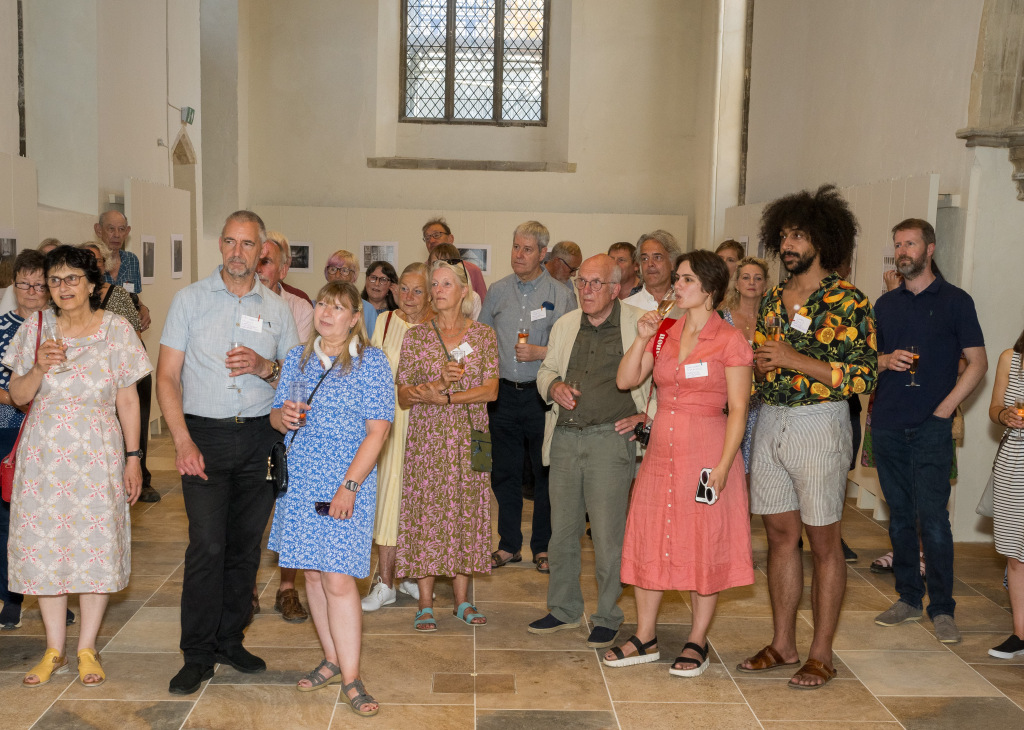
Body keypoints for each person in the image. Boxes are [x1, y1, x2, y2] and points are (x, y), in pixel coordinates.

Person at [738, 185, 877, 689]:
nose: (788, 243)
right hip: (770, 419)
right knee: (779, 536)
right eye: (784, 234)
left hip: (820, 422)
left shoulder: (849, 300)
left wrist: (794, 359)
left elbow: (864, 376)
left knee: (823, 541)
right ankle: (782, 643)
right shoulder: (774, 296)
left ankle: (821, 653)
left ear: (824, 239)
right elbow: (762, 361)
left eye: (799, 234)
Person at [157, 211, 299, 695]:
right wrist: (181, 440)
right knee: (206, 547)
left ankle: (230, 640)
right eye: (230, 243)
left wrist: (265, 366)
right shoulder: (190, 301)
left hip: (260, 438)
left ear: (262, 250)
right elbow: (167, 377)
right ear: (221, 245)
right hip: (204, 438)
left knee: (244, 548)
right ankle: (196, 653)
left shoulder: (277, 310)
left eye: (248, 244)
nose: (238, 252)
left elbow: (295, 380)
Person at [5, 245, 150, 687]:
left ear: (91, 284)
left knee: (94, 547)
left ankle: (86, 648)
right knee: (45, 548)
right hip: (45, 453)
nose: (62, 288)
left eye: (72, 279)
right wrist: (38, 368)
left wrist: (134, 458)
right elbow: (17, 395)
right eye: (55, 280)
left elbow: (128, 399)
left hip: (98, 451)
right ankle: (54, 649)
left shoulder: (117, 329)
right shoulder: (35, 327)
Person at [605, 250, 754, 676]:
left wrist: (724, 467)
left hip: (706, 450)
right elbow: (625, 380)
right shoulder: (665, 330)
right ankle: (645, 635)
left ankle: (696, 640)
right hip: (660, 453)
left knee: (703, 543)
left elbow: (739, 410)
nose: (677, 287)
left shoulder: (730, 340)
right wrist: (641, 337)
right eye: (679, 280)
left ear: (709, 289)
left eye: (686, 280)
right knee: (651, 535)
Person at [267, 281, 393, 714]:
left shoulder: (371, 362)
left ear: (355, 318)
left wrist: (350, 486)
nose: (326, 312)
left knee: (339, 579)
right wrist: (280, 416)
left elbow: (378, 432)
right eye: (322, 304)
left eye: (338, 307)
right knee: (315, 577)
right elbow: (277, 414)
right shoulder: (296, 359)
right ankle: (332, 659)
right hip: (301, 481)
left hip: (347, 482)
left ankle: (354, 679)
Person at [870, 218, 986, 645]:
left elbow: (978, 362)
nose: (903, 251)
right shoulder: (885, 305)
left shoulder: (956, 301)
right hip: (887, 425)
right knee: (900, 519)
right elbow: (868, 362)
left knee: (933, 521)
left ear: (930, 248)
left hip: (931, 428)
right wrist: (884, 361)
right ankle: (907, 598)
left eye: (911, 244)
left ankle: (942, 609)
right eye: (898, 244)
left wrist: (946, 409)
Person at [528, 255, 651, 649]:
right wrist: (553, 387)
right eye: (582, 282)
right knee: (561, 531)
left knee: (607, 535)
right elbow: (545, 370)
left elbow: (665, 378)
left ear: (616, 288)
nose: (587, 290)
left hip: (609, 440)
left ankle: (607, 615)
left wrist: (646, 416)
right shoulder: (566, 324)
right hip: (564, 437)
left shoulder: (637, 324)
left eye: (596, 283)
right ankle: (563, 609)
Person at [395, 260, 499, 631]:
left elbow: (491, 390)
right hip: (428, 436)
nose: (437, 290)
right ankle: (424, 603)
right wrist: (434, 387)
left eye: (445, 284)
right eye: (433, 284)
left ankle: (462, 602)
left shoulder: (483, 336)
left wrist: (451, 398)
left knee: (468, 509)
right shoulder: (416, 336)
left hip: (474, 435)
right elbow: (404, 395)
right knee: (427, 510)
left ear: (463, 291)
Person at [479, 221, 577, 574]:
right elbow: (481, 339)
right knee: (503, 473)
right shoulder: (497, 290)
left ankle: (542, 547)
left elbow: (572, 347)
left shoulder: (562, 294)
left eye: (527, 249)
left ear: (543, 254)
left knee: (544, 473)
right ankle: (508, 545)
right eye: (515, 247)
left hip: (542, 397)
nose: (518, 255)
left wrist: (541, 352)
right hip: (502, 395)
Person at [362, 263, 436, 611]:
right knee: (388, 501)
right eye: (403, 288)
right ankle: (385, 582)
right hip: (390, 425)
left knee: (420, 502)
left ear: (431, 293)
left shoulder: (440, 327)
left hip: (428, 426)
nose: (408, 296)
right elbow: (371, 371)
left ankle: (408, 573)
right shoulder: (386, 322)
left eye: (416, 290)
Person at [255, 232, 315, 623]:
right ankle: (243, 591)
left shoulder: (298, 307)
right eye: (255, 259)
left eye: (266, 261)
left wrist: (267, 368)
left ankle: (287, 589)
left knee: (288, 506)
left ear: (283, 267)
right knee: (249, 509)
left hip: (285, 424)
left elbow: (303, 371)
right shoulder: (229, 304)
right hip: (240, 419)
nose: (259, 268)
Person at [0, 250, 52, 631]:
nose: (31, 292)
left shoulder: (60, 327)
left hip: (53, 434)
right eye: (24, 284)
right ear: (13, 285)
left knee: (48, 519)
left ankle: (53, 594)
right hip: (8, 430)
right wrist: (22, 393)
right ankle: (11, 599)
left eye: (39, 284)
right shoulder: (4, 327)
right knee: (8, 521)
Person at [93, 213, 158, 503]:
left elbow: (134, 299)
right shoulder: (83, 286)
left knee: (136, 418)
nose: (116, 234)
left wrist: (143, 310)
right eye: (110, 229)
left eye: (121, 229)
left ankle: (140, 474)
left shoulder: (131, 261)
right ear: (99, 230)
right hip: (100, 366)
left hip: (129, 356)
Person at [987, 326, 1024, 658]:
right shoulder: (1010, 359)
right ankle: (1020, 634)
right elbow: (994, 408)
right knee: (1015, 553)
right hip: (1013, 464)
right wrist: (1005, 415)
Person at [719, 256, 769, 474]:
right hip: (729, 405)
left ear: (765, 284)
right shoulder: (721, 318)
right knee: (731, 469)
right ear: (737, 283)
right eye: (746, 277)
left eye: (758, 278)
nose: (752, 282)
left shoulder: (773, 320)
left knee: (759, 472)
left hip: (764, 405)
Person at [259, 232, 314, 341]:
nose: (258, 269)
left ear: (283, 270)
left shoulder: (301, 308)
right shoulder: (238, 303)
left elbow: (296, 356)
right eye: (255, 262)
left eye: (266, 262)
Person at [421, 217, 487, 301]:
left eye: (436, 235)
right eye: (427, 238)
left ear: (450, 238)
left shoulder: (472, 270)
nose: (431, 240)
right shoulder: (422, 271)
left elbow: (484, 305)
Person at [324, 249, 378, 337]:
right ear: (326, 273)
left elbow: (372, 344)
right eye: (333, 269)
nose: (337, 275)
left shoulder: (367, 310)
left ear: (354, 276)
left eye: (344, 270)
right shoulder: (315, 306)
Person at [624, 230, 681, 311]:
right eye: (645, 259)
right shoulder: (626, 307)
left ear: (672, 263)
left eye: (657, 257)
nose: (650, 264)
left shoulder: (685, 305)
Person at [428, 244, 482, 320]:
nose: (440, 266)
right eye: (434, 263)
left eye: (447, 284)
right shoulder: (424, 294)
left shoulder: (473, 298)